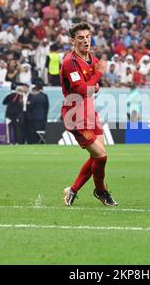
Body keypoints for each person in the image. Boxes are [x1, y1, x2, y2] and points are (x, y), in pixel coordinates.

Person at [60, 22, 117, 206]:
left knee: (98, 157)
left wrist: (95, 85)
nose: (85, 41)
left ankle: (73, 190)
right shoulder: (70, 62)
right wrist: (99, 75)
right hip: (75, 116)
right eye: (80, 38)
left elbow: (91, 87)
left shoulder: (91, 59)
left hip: (90, 113)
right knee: (101, 156)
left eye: (87, 37)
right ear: (72, 41)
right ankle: (101, 191)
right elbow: (83, 89)